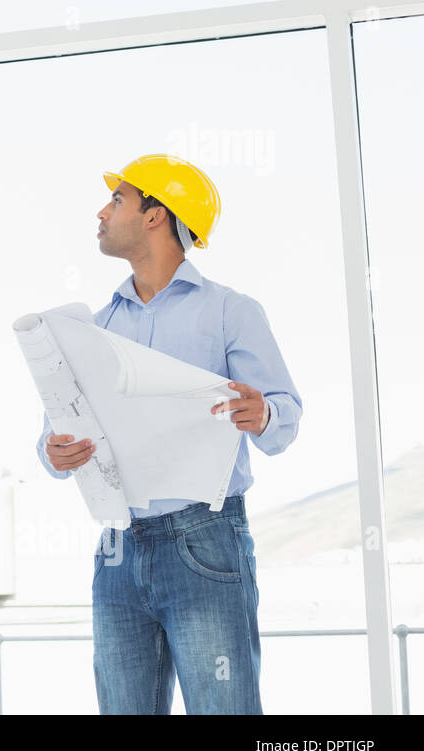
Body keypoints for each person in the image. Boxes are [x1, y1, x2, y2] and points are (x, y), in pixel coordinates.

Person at [35, 153, 302, 714]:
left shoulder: (231, 311)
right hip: (117, 545)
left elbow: (283, 417)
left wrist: (264, 414)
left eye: (117, 200)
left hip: (204, 539)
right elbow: (56, 430)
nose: (102, 212)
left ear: (156, 215)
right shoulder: (98, 326)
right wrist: (54, 451)